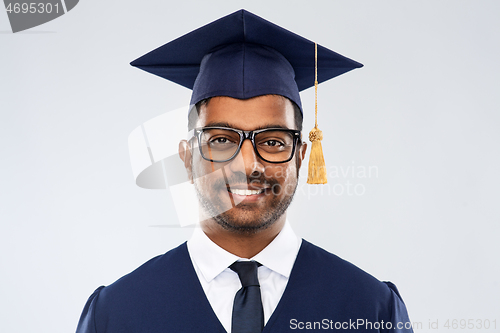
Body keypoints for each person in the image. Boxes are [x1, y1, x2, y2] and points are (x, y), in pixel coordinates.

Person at [76, 9, 413, 333]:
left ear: (300, 156)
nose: (248, 164)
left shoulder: (370, 309)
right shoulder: (116, 314)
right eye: (221, 140)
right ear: (186, 157)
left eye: (273, 142)